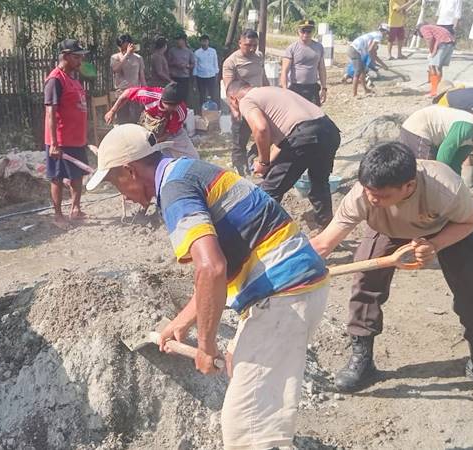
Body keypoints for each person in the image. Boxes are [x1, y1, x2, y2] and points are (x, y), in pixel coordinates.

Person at [86, 124, 329, 450]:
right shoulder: (187, 172)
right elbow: (218, 268)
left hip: (283, 295)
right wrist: (182, 322)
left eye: (117, 184)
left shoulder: (174, 190)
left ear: (130, 171)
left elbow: (211, 268)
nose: (123, 196)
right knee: (247, 390)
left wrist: (205, 345)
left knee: (247, 432)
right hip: (292, 287)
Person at [310, 143, 473, 398]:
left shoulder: (445, 188)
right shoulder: (363, 195)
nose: (373, 199)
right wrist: (287, 270)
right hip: (387, 228)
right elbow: (324, 243)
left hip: (449, 228)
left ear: (409, 186)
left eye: (382, 195)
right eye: (369, 191)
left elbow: (469, 222)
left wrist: (434, 245)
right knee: (365, 284)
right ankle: (362, 360)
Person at [227, 81, 341, 227]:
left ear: (233, 99)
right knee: (320, 184)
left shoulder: (246, 100)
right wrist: (268, 162)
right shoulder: (271, 91)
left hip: (303, 136)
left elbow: (261, 129)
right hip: (328, 130)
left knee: (269, 191)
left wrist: (263, 162)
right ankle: (326, 229)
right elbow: (283, 141)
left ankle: (261, 232)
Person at [44, 39, 90, 228]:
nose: (80, 61)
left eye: (81, 57)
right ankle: (58, 216)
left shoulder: (73, 79)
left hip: (76, 138)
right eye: (77, 57)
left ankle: (75, 209)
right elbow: (50, 112)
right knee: (57, 177)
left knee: (77, 175)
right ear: (65, 56)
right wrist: (54, 143)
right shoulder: (55, 80)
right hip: (61, 140)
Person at [400, 104, 473, 179]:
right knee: (427, 173)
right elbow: (445, 151)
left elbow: (456, 162)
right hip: (418, 127)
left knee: (433, 175)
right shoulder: (469, 125)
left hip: (432, 137)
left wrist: (457, 183)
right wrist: (443, 178)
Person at [104, 82, 199, 159]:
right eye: (172, 105)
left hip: (173, 134)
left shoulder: (180, 112)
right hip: (149, 129)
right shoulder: (150, 96)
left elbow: (169, 133)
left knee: (193, 158)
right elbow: (127, 93)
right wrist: (112, 111)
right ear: (163, 101)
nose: (174, 108)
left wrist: (152, 143)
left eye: (176, 105)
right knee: (152, 161)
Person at [222, 29, 270, 175]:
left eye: (255, 45)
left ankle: (252, 157)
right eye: (248, 45)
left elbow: (263, 77)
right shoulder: (231, 62)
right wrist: (235, 110)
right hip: (242, 107)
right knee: (239, 141)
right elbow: (229, 89)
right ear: (240, 43)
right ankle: (240, 170)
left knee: (266, 134)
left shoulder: (259, 56)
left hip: (260, 104)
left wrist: (270, 93)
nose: (252, 48)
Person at [279, 19, 327, 106]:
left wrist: (324, 88)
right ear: (298, 31)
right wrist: (285, 90)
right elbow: (284, 71)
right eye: (303, 31)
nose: (305, 34)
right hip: (296, 88)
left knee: (314, 112)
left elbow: (321, 69)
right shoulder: (292, 48)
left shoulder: (319, 47)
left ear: (313, 32)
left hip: (312, 87)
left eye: (309, 31)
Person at [110, 34, 146, 124]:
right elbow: (116, 69)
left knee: (135, 121)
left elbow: (142, 77)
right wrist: (126, 55)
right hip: (121, 94)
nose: (124, 50)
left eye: (126, 47)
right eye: (122, 48)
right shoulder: (115, 57)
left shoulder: (138, 58)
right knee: (122, 122)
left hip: (135, 94)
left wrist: (145, 93)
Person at [348, 25, 390, 97]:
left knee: (363, 71)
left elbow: (372, 52)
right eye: (387, 33)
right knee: (358, 72)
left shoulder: (375, 33)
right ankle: (354, 94)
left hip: (354, 49)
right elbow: (371, 50)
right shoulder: (379, 36)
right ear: (385, 32)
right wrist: (382, 64)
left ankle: (365, 90)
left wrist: (379, 63)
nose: (386, 35)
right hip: (355, 50)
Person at [416, 23, 456, 98]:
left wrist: (431, 51)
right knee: (439, 67)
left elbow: (429, 39)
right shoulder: (433, 27)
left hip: (443, 43)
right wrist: (434, 50)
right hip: (450, 43)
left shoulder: (423, 28)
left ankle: (434, 92)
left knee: (433, 66)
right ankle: (438, 90)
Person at [167, 33, 195, 103]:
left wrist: (186, 66)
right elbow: (168, 63)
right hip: (174, 77)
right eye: (176, 40)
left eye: (179, 40)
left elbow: (193, 64)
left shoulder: (189, 51)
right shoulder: (172, 50)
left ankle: (183, 108)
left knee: (183, 96)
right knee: (173, 96)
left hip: (184, 77)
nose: (177, 41)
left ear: (184, 40)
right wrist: (175, 64)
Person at [193, 34, 220, 109]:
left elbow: (215, 64)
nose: (204, 43)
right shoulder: (197, 52)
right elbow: (195, 66)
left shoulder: (213, 51)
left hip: (211, 76)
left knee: (212, 94)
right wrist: (194, 79)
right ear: (200, 42)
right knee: (202, 94)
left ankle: (213, 110)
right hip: (200, 76)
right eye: (202, 41)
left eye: (206, 41)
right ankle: (202, 110)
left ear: (208, 42)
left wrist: (217, 76)